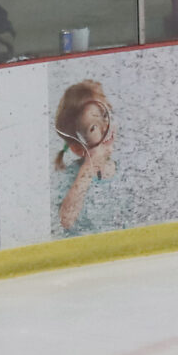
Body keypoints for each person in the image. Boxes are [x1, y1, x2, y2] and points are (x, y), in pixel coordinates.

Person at [54, 77, 126, 237]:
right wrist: (88, 168)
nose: (105, 126)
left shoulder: (125, 172)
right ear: (78, 148)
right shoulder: (72, 176)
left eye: (105, 116)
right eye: (93, 127)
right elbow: (66, 220)